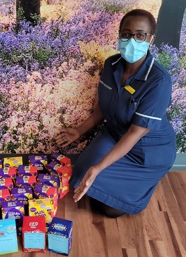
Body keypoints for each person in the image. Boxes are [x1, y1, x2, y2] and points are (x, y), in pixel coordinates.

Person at [56, 9, 176, 218]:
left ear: (151, 39)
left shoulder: (158, 80)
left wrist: (98, 168)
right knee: (79, 176)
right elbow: (103, 107)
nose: (132, 40)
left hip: (147, 150)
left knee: (110, 209)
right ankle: (114, 179)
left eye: (140, 35)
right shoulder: (111, 65)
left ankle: (142, 183)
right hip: (114, 135)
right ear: (119, 35)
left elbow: (134, 134)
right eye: (126, 34)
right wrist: (78, 131)